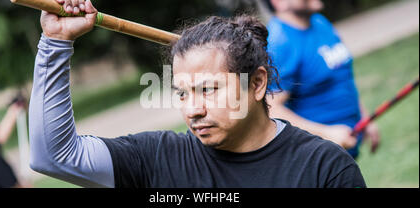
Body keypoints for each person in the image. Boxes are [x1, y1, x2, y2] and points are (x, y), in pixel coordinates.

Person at [29, 0, 366, 188]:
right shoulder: (158, 158)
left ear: (257, 83)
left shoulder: (325, 169)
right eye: (181, 93)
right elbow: (53, 157)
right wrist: (56, 43)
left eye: (208, 90)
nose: (193, 110)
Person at [262, 0, 380, 158]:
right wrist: (326, 134)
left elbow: (342, 77)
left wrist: (364, 117)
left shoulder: (319, 22)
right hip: (318, 160)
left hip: (345, 150)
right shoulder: (278, 43)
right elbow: (271, 108)